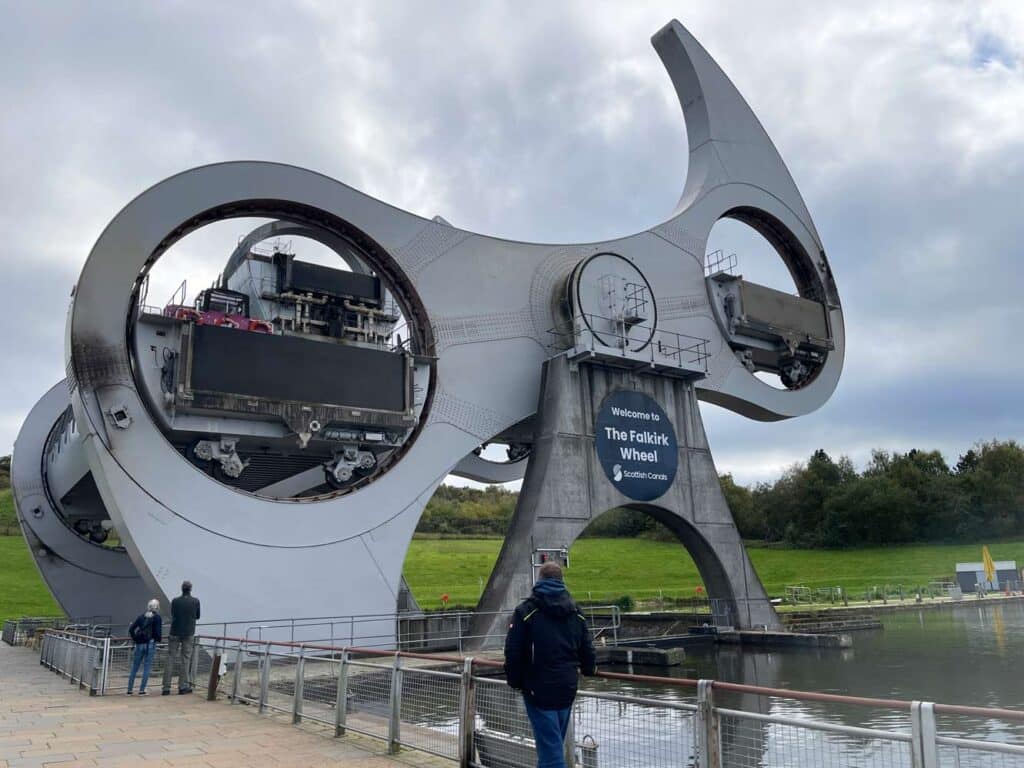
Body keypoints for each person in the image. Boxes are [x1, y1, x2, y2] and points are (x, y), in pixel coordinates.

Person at [504, 562, 596, 768]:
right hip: (567, 688)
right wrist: (590, 670)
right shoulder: (575, 610)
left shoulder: (526, 611)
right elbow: (587, 647)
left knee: (551, 753)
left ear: (540, 580)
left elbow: (513, 650)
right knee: (552, 746)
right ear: (561, 581)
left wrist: (515, 681)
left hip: (538, 690)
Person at [162, 580, 201, 695]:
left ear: (182, 589)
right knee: (186, 659)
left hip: (174, 631)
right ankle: (182, 686)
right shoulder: (195, 601)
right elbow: (198, 616)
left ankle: (166, 687)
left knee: (170, 658)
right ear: (190, 589)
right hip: (188, 632)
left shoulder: (175, 601)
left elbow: (173, 614)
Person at [126, 599, 162, 695]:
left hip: (139, 644)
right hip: (150, 644)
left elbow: (131, 629)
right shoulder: (157, 618)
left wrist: (135, 639)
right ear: (157, 608)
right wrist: (157, 639)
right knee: (147, 667)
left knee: (135, 667)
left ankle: (129, 690)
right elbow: (158, 634)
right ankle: (142, 690)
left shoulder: (141, 617)